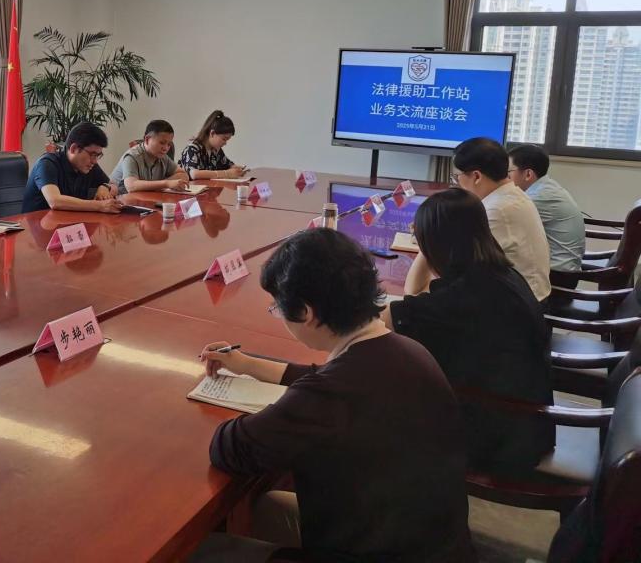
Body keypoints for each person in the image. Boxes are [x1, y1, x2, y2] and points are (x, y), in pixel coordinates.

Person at [193, 229, 474, 563]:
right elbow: (326, 381)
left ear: (306, 312)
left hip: (376, 550)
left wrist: (276, 413)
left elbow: (229, 448)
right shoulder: (405, 350)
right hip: (431, 545)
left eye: (277, 307)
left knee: (204, 550)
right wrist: (247, 365)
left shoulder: (331, 393)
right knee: (269, 506)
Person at [386, 188, 555, 474]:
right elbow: (412, 299)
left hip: (501, 436)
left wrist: (426, 247)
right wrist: (431, 241)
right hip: (525, 422)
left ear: (439, 244)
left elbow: (389, 318)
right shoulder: (496, 272)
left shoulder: (467, 295)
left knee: (381, 402)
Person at [408, 137, 550, 301]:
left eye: (457, 177)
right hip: (522, 297)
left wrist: (427, 233)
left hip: (516, 305)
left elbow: (415, 289)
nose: (457, 183)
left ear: (476, 176)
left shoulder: (497, 210)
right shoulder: (511, 195)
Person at [508, 144, 586, 274]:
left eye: (509, 172)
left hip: (558, 273)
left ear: (528, 174)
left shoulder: (538, 197)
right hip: (559, 266)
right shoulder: (545, 187)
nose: (506, 178)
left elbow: (506, 223)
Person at [21, 121, 122, 214]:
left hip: (68, 223)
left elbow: (113, 185)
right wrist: (100, 206)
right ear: (74, 148)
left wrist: (105, 187)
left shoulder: (89, 166)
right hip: (37, 225)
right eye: (92, 154)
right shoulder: (47, 163)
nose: (95, 161)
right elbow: (55, 201)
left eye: (98, 155)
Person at [109, 119, 188, 194]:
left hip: (145, 198)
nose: (165, 148)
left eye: (169, 144)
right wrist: (167, 183)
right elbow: (131, 186)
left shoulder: (163, 157)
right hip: (118, 199)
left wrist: (165, 184)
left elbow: (183, 175)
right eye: (162, 143)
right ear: (147, 139)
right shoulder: (132, 156)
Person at [178, 110, 246, 180]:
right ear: (212, 133)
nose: (225, 143)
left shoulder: (216, 150)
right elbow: (194, 174)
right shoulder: (192, 149)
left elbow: (228, 165)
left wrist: (236, 169)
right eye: (224, 139)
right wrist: (226, 173)